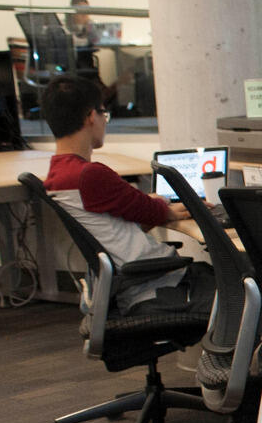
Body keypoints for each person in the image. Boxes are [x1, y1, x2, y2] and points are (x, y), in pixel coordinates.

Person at [41, 73, 213, 316]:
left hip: (131, 284)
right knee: (252, 293)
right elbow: (151, 210)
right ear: (91, 116)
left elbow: (134, 212)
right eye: (104, 113)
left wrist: (156, 207)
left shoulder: (57, 174)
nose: (105, 121)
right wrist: (164, 205)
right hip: (157, 286)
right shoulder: (90, 175)